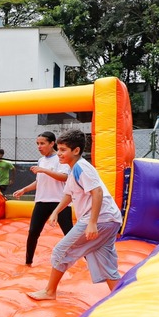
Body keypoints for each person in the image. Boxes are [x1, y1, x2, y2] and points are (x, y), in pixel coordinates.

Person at [27, 129, 122, 301]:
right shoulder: (73, 170)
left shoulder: (81, 168)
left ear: (76, 151)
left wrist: (92, 222)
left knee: (60, 251)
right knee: (104, 260)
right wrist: (56, 211)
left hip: (100, 219)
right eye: (59, 149)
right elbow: (69, 194)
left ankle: (50, 292)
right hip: (110, 219)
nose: (59, 154)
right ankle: (121, 297)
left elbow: (98, 192)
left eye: (63, 150)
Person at [12, 131, 74, 266]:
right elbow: (40, 181)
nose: (39, 146)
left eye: (42, 143)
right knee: (33, 232)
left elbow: (64, 177)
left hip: (59, 202)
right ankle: (28, 262)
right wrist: (24, 189)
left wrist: (44, 170)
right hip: (41, 202)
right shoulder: (41, 160)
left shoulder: (60, 158)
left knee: (70, 234)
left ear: (52, 143)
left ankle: (89, 261)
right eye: (37, 144)